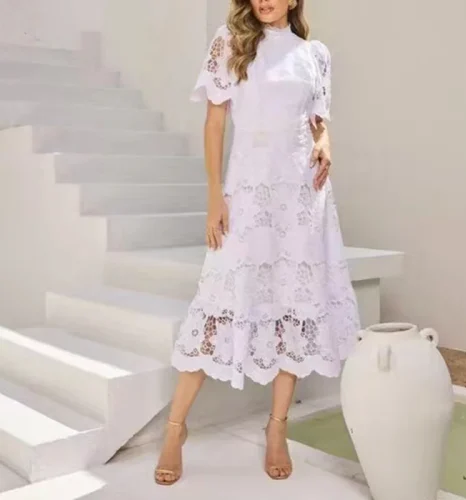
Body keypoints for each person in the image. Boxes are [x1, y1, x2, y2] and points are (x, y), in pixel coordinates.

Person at [155, 0, 360, 485]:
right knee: (216, 306)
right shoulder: (231, 43)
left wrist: (325, 142)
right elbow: (215, 123)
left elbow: (317, 120)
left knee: (293, 306)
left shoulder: (315, 54)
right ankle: (175, 428)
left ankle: (277, 427)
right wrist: (215, 196)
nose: (264, 0)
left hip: (302, 200)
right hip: (246, 195)